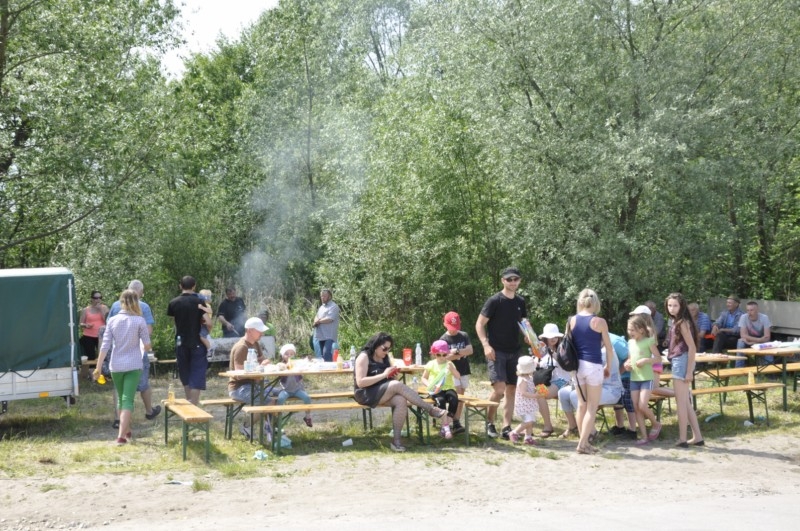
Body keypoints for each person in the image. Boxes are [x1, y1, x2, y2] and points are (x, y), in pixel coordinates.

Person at [353, 332, 446, 452]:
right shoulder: (364, 357)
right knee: (396, 385)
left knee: (401, 400)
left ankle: (396, 441)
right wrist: (384, 375)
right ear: (376, 345)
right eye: (384, 348)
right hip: (365, 393)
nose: (386, 352)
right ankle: (431, 409)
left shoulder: (385, 357)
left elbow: (391, 381)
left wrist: (392, 375)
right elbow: (360, 382)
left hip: (382, 392)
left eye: (389, 349)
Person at [94, 289, 151, 446]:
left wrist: (98, 367)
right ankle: (120, 437)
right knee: (127, 400)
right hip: (133, 365)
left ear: (121, 302)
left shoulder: (112, 320)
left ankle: (127, 430)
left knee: (121, 398)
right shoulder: (139, 321)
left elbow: (105, 346)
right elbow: (147, 345)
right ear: (136, 302)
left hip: (116, 365)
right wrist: (144, 347)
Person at [475, 267, 527, 440]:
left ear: (519, 281)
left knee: (512, 390)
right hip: (496, 351)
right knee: (499, 389)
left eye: (515, 279)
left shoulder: (520, 301)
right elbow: (479, 324)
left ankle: (506, 426)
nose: (512, 282)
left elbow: (523, 323)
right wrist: (485, 345)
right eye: (509, 279)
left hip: (515, 351)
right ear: (503, 280)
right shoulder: (494, 301)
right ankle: (489, 422)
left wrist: (529, 336)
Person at [108, 280, 161, 428]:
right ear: (141, 292)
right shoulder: (144, 306)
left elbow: (108, 328)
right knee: (143, 383)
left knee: (119, 387)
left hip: (117, 352)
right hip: (137, 352)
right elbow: (148, 331)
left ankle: (118, 419)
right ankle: (149, 411)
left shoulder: (115, 306)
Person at [569, 288, 613, 455]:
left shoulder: (572, 320)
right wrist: (608, 366)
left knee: (581, 405)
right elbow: (609, 348)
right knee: (592, 407)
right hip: (593, 365)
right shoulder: (599, 322)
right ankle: (582, 444)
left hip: (576, 366)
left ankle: (584, 442)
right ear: (595, 302)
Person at [557, 334, 623, 442]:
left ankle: (592, 432)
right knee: (563, 393)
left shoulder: (604, 352)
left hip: (611, 390)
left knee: (575, 396)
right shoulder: (592, 352)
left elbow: (593, 376)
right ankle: (573, 427)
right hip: (595, 387)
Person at [665, 292, 704, 447]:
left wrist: (689, 371)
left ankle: (682, 439)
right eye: (669, 305)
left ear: (682, 306)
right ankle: (697, 437)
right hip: (679, 360)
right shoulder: (676, 321)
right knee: (685, 403)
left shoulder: (682, 322)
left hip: (681, 361)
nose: (672, 308)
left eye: (675, 305)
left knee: (680, 402)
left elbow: (692, 347)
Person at [167, 276, 212, 405]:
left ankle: (189, 403)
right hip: (197, 341)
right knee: (197, 373)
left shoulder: (173, 302)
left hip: (180, 341)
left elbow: (174, 322)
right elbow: (208, 322)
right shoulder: (199, 302)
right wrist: (206, 332)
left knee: (185, 373)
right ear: (194, 286)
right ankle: (194, 405)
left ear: (180, 286)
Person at [228, 317, 274, 438]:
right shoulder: (242, 347)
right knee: (269, 401)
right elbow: (239, 374)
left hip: (255, 384)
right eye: (259, 331)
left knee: (280, 394)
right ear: (249, 330)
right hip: (239, 388)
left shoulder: (255, 344)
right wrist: (259, 367)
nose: (262, 333)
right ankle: (247, 427)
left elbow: (262, 360)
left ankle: (269, 428)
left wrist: (265, 363)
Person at [625, 314, 662, 444]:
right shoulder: (630, 343)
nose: (630, 332)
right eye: (628, 329)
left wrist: (646, 360)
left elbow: (658, 358)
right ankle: (644, 436)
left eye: (632, 330)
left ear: (641, 330)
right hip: (634, 378)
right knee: (636, 407)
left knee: (642, 405)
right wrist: (627, 365)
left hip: (647, 378)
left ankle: (656, 424)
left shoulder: (649, 341)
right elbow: (629, 359)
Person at [439, 311, 473, 434]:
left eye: (455, 327)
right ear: (445, 324)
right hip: (451, 372)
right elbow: (444, 358)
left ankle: (456, 421)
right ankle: (448, 421)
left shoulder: (464, 335)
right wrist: (458, 354)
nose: (453, 330)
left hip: (464, 370)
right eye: (451, 327)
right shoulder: (443, 339)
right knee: (456, 395)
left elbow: (470, 350)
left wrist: (456, 352)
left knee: (461, 396)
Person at [535, 323, 571, 438]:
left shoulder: (564, 347)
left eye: (555, 336)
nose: (553, 339)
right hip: (549, 380)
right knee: (535, 392)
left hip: (563, 380)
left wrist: (554, 355)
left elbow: (567, 365)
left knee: (539, 394)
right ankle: (530, 424)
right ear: (545, 338)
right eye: (550, 337)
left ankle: (547, 426)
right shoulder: (542, 350)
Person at [422, 340, 460, 440]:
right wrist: (430, 385)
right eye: (438, 355)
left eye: (444, 355)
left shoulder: (450, 364)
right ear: (434, 354)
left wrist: (452, 369)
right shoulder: (431, 364)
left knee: (454, 399)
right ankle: (446, 428)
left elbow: (458, 376)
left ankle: (445, 426)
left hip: (448, 387)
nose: (442, 357)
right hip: (436, 389)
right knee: (441, 401)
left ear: (447, 354)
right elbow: (423, 378)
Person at [276, 344, 313, 427]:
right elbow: (278, 369)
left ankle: (308, 416)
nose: (289, 356)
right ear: (282, 355)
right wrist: (285, 367)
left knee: (307, 397)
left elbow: (305, 366)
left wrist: (306, 362)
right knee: (280, 399)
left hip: (297, 390)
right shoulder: (281, 364)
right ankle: (278, 418)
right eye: (286, 354)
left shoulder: (297, 364)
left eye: (291, 354)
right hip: (285, 390)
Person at [508, 356, 539, 446]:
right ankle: (514, 432)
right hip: (524, 404)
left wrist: (536, 390)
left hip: (529, 404)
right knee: (528, 421)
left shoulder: (529, 378)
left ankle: (528, 437)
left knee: (531, 421)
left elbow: (530, 389)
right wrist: (535, 395)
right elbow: (523, 393)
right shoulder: (523, 379)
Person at [736, 301, 772, 367]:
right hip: (752, 341)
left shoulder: (764, 318)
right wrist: (758, 340)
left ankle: (770, 370)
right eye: (748, 310)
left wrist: (756, 341)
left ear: (757, 310)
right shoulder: (743, 317)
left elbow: (767, 337)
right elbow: (743, 335)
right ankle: (738, 369)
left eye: (751, 310)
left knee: (768, 345)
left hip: (761, 341)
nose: (749, 313)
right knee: (740, 342)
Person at [79, 291, 109, 361]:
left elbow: (108, 321)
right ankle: (92, 367)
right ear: (92, 299)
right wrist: (86, 325)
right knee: (91, 356)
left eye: (100, 298)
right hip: (88, 336)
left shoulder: (104, 308)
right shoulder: (85, 310)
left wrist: (100, 309)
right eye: (96, 298)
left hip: (102, 336)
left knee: (102, 356)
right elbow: (80, 323)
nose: (98, 300)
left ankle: (101, 367)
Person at [312, 288, 340, 362]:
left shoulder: (334, 306)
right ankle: (325, 368)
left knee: (326, 353)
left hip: (329, 336)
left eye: (324, 296)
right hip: (321, 335)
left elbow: (330, 319)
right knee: (322, 356)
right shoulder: (321, 307)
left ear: (329, 296)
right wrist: (315, 321)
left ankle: (330, 368)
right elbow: (316, 316)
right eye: (321, 296)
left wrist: (318, 322)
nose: (322, 297)